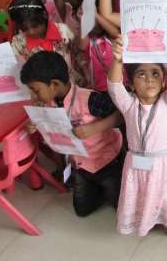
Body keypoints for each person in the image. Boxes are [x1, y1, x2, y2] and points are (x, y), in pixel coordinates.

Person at [107, 32, 167, 236]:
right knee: (143, 206)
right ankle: (150, 216)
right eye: (141, 74)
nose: (149, 80)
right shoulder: (128, 105)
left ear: (164, 81)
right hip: (138, 166)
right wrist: (118, 59)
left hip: (166, 165)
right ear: (132, 83)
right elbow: (113, 86)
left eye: (155, 73)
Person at [21, 51, 123, 216]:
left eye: (36, 90)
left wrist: (96, 128)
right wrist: (35, 125)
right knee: (82, 211)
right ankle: (97, 187)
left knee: (121, 206)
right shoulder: (46, 105)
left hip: (107, 160)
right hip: (81, 164)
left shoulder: (89, 99)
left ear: (54, 84)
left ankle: (112, 184)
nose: (34, 96)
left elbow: (121, 114)